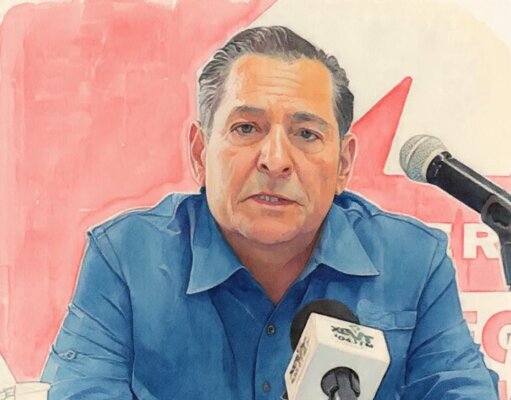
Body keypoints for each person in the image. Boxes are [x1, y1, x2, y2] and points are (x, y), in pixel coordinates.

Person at [41, 26, 498, 399]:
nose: (275, 160)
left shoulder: (413, 262)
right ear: (200, 153)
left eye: (306, 134)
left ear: (343, 164)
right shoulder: (126, 258)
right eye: (246, 128)